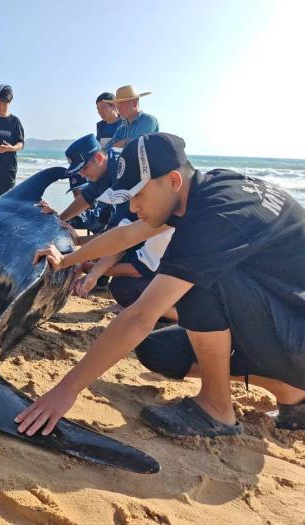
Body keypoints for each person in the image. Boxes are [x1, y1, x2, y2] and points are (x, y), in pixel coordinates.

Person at [17, 133, 305, 438]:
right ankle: (289, 389)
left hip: (295, 334)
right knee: (158, 351)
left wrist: (66, 390)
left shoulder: (217, 217)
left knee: (195, 278)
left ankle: (216, 410)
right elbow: (130, 234)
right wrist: (67, 259)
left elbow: (141, 316)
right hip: (280, 325)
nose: (133, 206)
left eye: (137, 195)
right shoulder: (204, 189)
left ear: (172, 180)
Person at [38, 134, 121, 235]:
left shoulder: (121, 170)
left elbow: (120, 233)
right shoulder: (102, 170)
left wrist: (79, 240)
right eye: (79, 170)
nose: (82, 175)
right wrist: (58, 220)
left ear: (99, 158)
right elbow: (86, 198)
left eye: (84, 168)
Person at [105, 85, 159, 150]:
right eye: (117, 105)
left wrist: (117, 145)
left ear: (134, 102)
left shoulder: (149, 120)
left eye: (122, 104)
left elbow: (136, 145)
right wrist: (126, 142)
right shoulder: (120, 129)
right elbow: (105, 149)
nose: (118, 109)